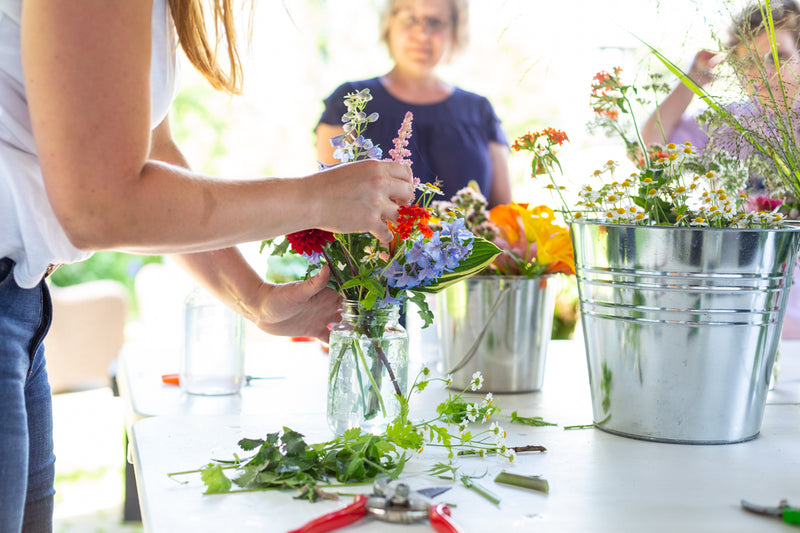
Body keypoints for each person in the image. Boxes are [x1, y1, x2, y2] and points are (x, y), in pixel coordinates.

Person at [1, 1, 414, 530]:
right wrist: (316, 199)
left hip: (19, 303)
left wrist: (254, 298)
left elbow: (152, 152)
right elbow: (101, 206)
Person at [641, 0, 800, 339]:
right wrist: (692, 80)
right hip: (748, 296)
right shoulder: (732, 120)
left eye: (779, 57)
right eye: (748, 62)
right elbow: (653, 142)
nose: (763, 72)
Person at [314, 0, 512, 208]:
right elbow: (328, 203)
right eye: (410, 19)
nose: (422, 34)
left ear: (455, 31)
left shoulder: (479, 111)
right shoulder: (350, 102)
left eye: (435, 22)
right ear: (389, 23)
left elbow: (505, 217)